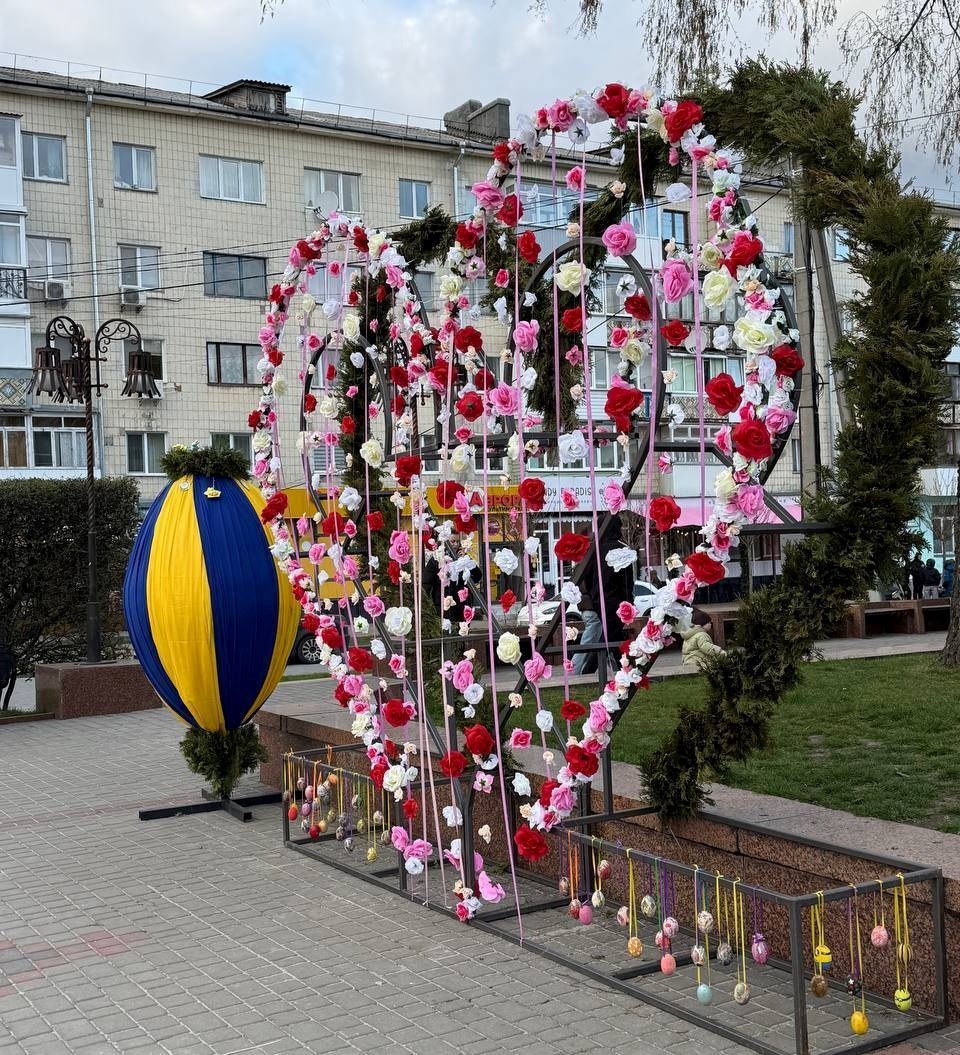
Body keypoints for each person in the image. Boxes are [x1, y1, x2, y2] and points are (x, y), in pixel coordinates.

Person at [573, 515, 635, 676]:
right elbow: (627, 582)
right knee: (608, 638)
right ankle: (589, 670)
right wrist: (629, 602)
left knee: (612, 637)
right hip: (617, 602)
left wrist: (593, 598)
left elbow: (586, 576)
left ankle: (625, 668)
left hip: (598, 600)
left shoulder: (594, 550)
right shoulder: (621, 549)